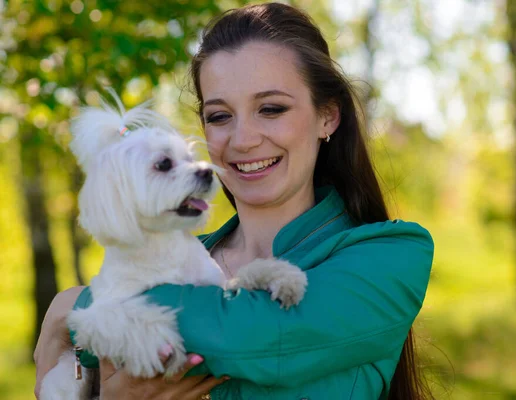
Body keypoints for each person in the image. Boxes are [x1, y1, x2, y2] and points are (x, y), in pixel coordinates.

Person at [34, 3, 434, 399]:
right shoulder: (176, 257)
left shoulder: (390, 257)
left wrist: (76, 308)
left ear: (328, 115)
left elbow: (261, 332)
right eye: (220, 116)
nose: (242, 140)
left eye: (271, 109)